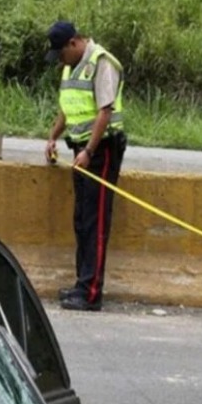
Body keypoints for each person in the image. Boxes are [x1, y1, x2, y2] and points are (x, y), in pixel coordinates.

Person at [43, 21, 127, 312]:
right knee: (81, 220)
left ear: (74, 43)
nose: (60, 61)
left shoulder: (101, 63)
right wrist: (53, 137)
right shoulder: (70, 66)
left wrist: (89, 152)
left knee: (96, 221)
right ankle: (82, 283)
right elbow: (67, 109)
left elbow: (105, 111)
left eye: (61, 53)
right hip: (81, 149)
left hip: (102, 150)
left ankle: (92, 292)